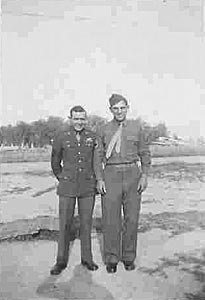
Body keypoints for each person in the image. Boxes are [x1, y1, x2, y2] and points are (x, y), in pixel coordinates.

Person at [97, 94, 151, 273]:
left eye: (122, 107)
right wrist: (99, 179)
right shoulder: (103, 129)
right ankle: (111, 258)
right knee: (110, 219)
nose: (119, 111)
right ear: (110, 110)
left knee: (132, 218)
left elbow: (144, 153)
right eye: (115, 108)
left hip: (132, 174)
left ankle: (128, 257)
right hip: (111, 173)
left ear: (128, 107)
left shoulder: (137, 127)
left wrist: (144, 175)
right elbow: (97, 157)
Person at [50, 105, 104, 275]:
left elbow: (96, 160)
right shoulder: (61, 136)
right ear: (70, 118)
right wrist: (62, 177)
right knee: (65, 224)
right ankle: (60, 261)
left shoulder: (92, 136)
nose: (79, 122)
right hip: (67, 186)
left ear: (85, 119)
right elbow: (55, 161)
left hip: (87, 187)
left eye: (82, 119)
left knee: (86, 224)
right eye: (76, 118)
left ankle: (87, 259)